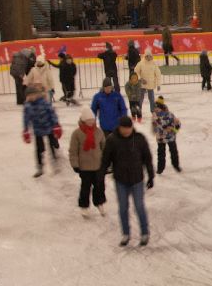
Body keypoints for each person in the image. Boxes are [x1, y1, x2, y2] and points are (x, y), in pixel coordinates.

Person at [101, 115, 154, 247]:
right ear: (120, 128)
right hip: (121, 180)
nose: (127, 131)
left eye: (129, 128)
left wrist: (151, 175)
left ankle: (144, 233)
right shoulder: (112, 140)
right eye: (124, 128)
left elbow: (147, 158)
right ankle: (126, 234)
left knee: (139, 207)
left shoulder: (139, 139)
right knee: (123, 208)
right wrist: (100, 177)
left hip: (137, 179)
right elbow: (105, 160)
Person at [67, 108, 106, 216]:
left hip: (98, 165)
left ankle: (99, 203)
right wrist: (75, 164)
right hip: (84, 166)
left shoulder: (99, 132)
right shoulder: (77, 133)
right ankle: (84, 206)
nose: (91, 122)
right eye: (88, 120)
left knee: (99, 186)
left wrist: (106, 162)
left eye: (92, 120)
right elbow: (73, 151)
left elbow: (104, 147)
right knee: (85, 187)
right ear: (83, 121)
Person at [22, 88, 62, 178]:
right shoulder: (27, 106)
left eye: (31, 95)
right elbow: (26, 118)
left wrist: (56, 124)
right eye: (28, 96)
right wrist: (26, 130)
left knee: (52, 144)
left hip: (49, 127)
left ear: (36, 94)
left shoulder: (44, 102)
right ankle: (40, 167)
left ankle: (55, 162)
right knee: (39, 148)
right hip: (37, 130)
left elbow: (52, 113)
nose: (30, 97)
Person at [151, 97, 182, 174]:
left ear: (161, 107)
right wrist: (155, 132)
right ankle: (160, 168)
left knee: (173, 151)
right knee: (161, 153)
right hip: (161, 138)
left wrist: (174, 129)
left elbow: (177, 124)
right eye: (155, 108)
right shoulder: (154, 116)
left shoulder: (170, 115)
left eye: (157, 108)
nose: (156, 109)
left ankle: (176, 165)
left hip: (170, 137)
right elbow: (155, 125)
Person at [134, 49, 162, 117]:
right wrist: (140, 79)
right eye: (147, 56)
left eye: (150, 56)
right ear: (145, 56)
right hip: (142, 84)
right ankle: (139, 110)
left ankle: (153, 111)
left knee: (151, 98)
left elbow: (158, 74)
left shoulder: (154, 64)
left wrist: (158, 84)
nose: (148, 57)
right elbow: (136, 72)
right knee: (140, 98)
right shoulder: (141, 63)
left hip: (150, 85)